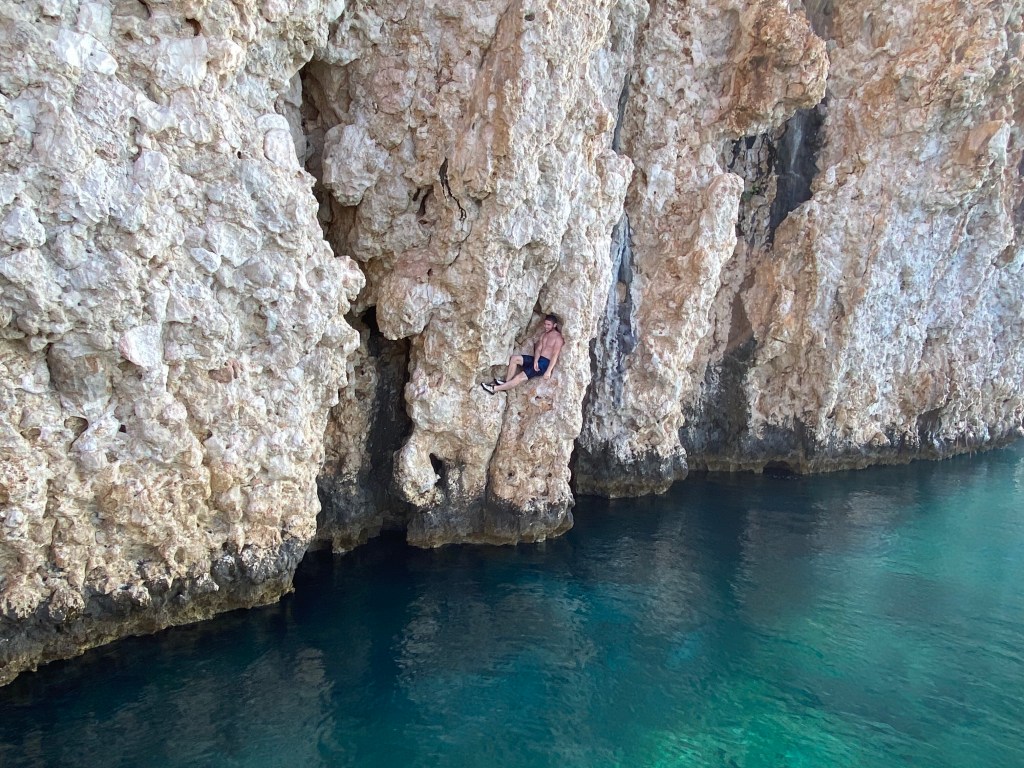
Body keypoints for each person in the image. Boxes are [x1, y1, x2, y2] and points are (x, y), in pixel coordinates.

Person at [481, 314, 564, 394]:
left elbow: (555, 355)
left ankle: (494, 389)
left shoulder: (558, 338)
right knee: (514, 359)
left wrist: (548, 371)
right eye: (545, 324)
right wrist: (535, 361)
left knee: (519, 377)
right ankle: (506, 383)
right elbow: (538, 349)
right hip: (538, 360)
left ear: (555, 325)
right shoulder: (544, 335)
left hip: (544, 364)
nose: (546, 326)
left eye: (549, 324)